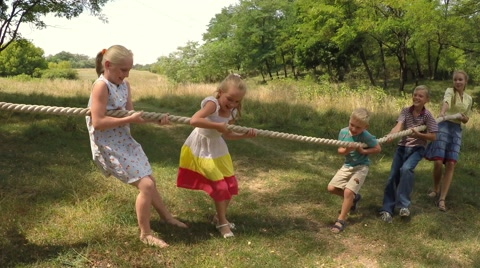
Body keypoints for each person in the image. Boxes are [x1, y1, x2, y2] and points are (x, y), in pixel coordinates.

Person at [86, 45, 187, 248]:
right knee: (146, 185)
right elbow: (98, 122)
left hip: (124, 140)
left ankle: (167, 217)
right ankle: (145, 233)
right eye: (123, 69)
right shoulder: (101, 86)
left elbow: (131, 116)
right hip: (108, 144)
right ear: (108, 65)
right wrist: (129, 119)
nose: (126, 74)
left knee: (149, 180)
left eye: (129, 70)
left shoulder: (125, 85)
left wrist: (156, 120)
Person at [176, 74, 256, 238]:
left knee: (231, 186)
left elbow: (226, 135)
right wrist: (217, 125)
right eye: (230, 99)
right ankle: (222, 223)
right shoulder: (213, 104)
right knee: (219, 187)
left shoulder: (232, 112)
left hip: (218, 149)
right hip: (201, 148)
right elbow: (194, 120)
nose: (232, 104)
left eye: (237, 101)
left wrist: (244, 136)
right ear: (220, 92)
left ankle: (218, 217)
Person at [379, 85, 438, 223]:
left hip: (418, 149)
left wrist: (418, 134)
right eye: (415, 94)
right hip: (402, 147)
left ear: (426, 100)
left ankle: (404, 206)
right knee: (393, 176)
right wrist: (391, 135)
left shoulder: (427, 115)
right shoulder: (406, 111)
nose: (417, 97)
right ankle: (387, 209)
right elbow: (399, 126)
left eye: (420, 96)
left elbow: (433, 136)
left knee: (406, 169)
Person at [424, 70, 472, 212]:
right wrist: (442, 113)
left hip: (456, 130)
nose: (457, 82)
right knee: (438, 161)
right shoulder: (449, 91)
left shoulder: (469, 99)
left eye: (460, 80)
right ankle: (435, 188)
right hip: (443, 125)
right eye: (455, 79)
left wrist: (463, 118)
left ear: (465, 82)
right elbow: (446, 102)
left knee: (451, 163)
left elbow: (466, 119)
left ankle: (442, 199)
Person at [327, 108, 381, 233]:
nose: (354, 129)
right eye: (352, 125)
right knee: (331, 188)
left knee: (348, 192)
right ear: (349, 120)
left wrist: (364, 151)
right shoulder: (343, 133)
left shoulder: (366, 136)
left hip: (361, 167)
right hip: (347, 165)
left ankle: (340, 220)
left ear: (365, 127)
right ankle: (354, 199)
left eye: (358, 127)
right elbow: (340, 150)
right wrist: (347, 150)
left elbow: (378, 148)